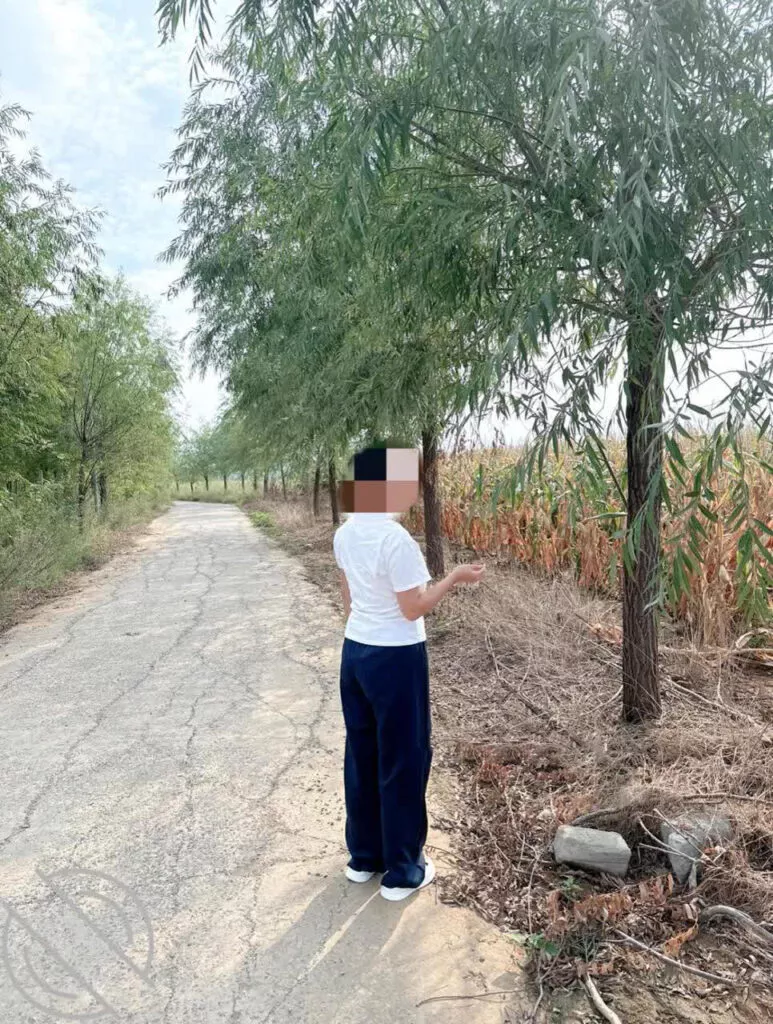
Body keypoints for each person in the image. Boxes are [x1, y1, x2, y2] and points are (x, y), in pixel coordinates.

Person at [333, 441, 484, 901]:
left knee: (362, 752)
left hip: (355, 652)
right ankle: (402, 871)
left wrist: (364, 630)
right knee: (403, 758)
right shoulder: (395, 540)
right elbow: (413, 608)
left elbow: (348, 599)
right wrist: (454, 578)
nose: (414, 491)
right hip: (395, 658)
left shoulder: (346, 532)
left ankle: (364, 858)